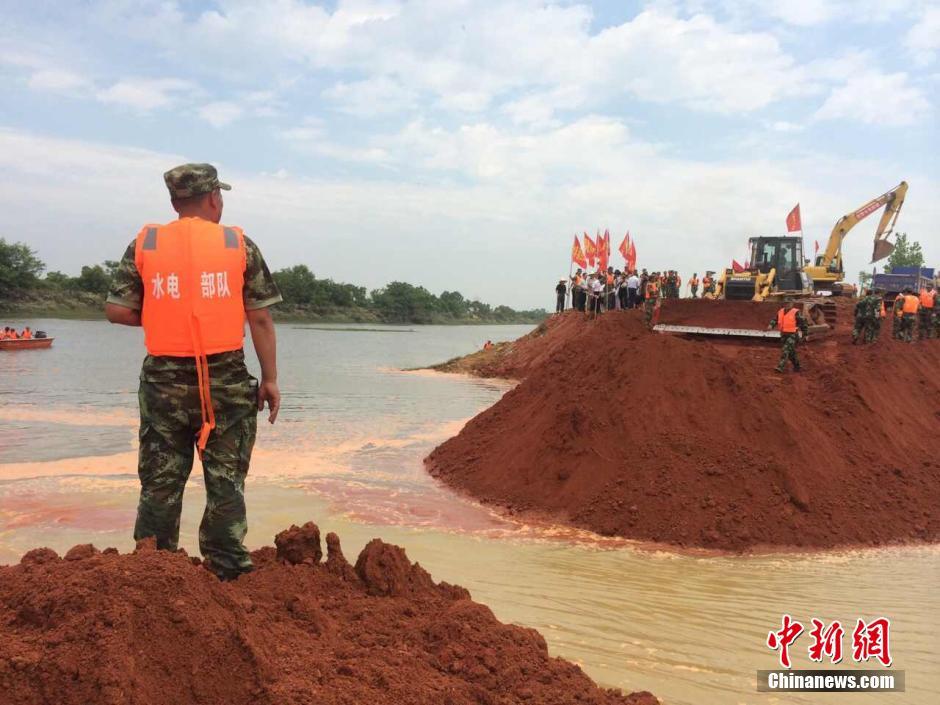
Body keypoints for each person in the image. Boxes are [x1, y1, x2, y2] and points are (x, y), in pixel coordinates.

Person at [104, 163, 282, 581]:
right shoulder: (238, 243)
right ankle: (228, 573)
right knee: (226, 479)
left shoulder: (145, 242)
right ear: (214, 198)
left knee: (161, 480)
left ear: (174, 203)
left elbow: (117, 310)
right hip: (225, 381)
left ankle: (154, 570)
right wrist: (270, 379)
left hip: (163, 382)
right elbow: (260, 320)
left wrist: (167, 315)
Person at [769, 301, 808, 372]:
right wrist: (771, 324)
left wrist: (804, 334)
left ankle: (780, 367)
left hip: (792, 335)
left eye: (788, 303)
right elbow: (775, 319)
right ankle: (797, 366)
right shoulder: (780, 311)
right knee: (791, 352)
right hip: (783, 334)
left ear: (792, 304)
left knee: (785, 350)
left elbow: (803, 323)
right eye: (785, 303)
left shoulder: (796, 312)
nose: (787, 305)